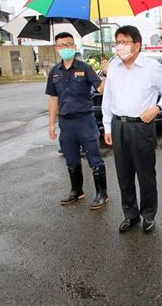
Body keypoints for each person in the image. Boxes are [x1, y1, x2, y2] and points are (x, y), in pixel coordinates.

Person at [102, 25, 162, 233]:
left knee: (145, 175)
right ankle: (130, 214)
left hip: (141, 127)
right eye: (117, 42)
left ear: (137, 45)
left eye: (124, 42)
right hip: (118, 125)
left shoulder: (151, 67)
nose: (119, 46)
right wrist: (107, 126)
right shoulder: (114, 66)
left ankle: (148, 215)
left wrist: (157, 108)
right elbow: (108, 98)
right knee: (124, 174)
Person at [45, 32, 109, 210]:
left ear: (74, 46)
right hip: (66, 123)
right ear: (57, 48)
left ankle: (102, 194)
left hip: (85, 121)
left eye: (69, 44)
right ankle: (77, 190)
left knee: (94, 158)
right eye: (62, 45)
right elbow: (53, 99)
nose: (66, 48)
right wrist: (51, 124)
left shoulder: (85, 68)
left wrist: (106, 73)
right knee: (71, 159)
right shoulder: (54, 73)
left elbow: (101, 89)